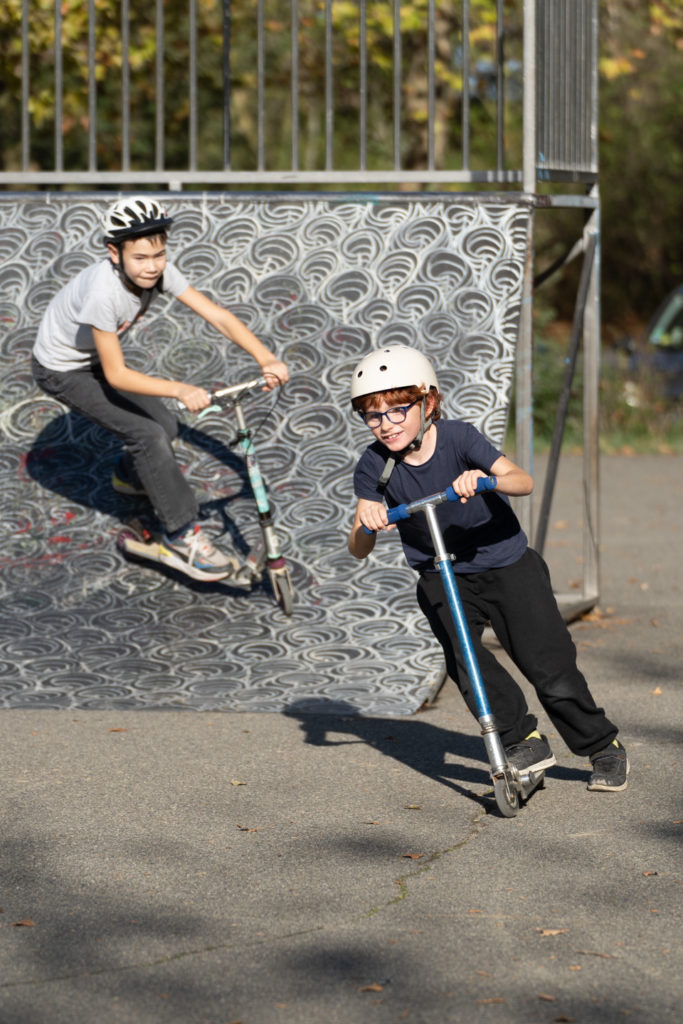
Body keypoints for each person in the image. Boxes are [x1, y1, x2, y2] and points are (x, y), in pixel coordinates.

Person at [347, 344, 628, 792]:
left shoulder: (459, 438)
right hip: (441, 574)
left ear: (428, 403)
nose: (387, 425)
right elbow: (358, 547)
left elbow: (523, 481)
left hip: (506, 563)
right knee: (467, 664)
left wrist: (485, 480)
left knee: (549, 667)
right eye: (373, 415)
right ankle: (524, 740)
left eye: (399, 410)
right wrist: (368, 521)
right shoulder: (374, 466)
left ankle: (602, 746)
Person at [32, 195, 289, 583]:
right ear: (114, 253)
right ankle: (182, 536)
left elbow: (216, 315)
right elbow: (117, 375)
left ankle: (129, 477)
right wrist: (180, 388)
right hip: (62, 370)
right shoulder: (103, 293)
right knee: (148, 434)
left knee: (166, 427)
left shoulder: (157, 270)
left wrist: (265, 356)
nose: (152, 267)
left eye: (159, 255)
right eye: (141, 258)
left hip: (95, 361)